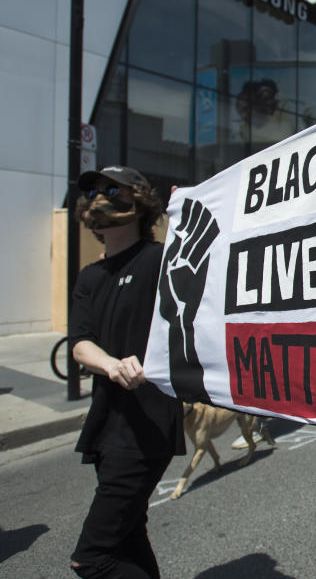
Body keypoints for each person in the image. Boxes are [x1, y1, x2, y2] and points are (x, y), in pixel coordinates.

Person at [69, 166, 185, 579]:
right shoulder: (89, 275)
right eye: (94, 191)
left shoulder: (158, 260)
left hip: (146, 424)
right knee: (129, 536)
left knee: (92, 559)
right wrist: (111, 364)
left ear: (138, 202)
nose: (99, 196)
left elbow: (201, 273)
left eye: (111, 189)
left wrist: (183, 214)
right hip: (106, 421)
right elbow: (80, 342)